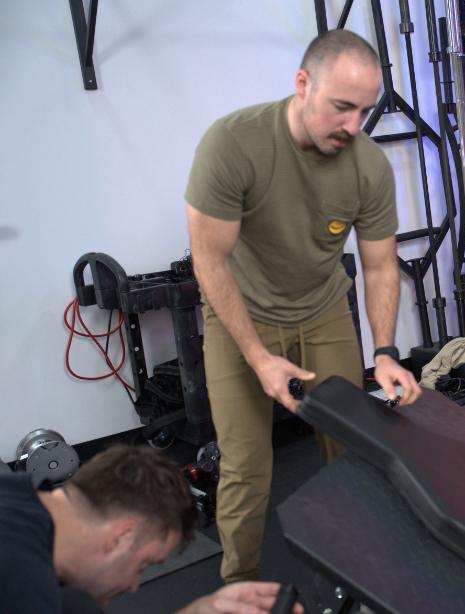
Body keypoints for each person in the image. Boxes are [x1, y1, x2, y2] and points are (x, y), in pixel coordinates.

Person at [185, 28, 422, 583]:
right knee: (247, 468)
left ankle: (366, 576)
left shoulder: (367, 166)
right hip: (239, 315)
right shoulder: (232, 143)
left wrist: (384, 353)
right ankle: (239, 585)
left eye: (364, 111)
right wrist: (258, 357)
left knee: (352, 447)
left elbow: (381, 265)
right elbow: (210, 263)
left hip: (322, 311)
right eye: (341, 107)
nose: (352, 126)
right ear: (303, 85)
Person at [0, 444, 301, 614]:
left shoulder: (19, 494)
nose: (133, 585)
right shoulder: (22, 580)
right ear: (120, 538)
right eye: (143, 565)